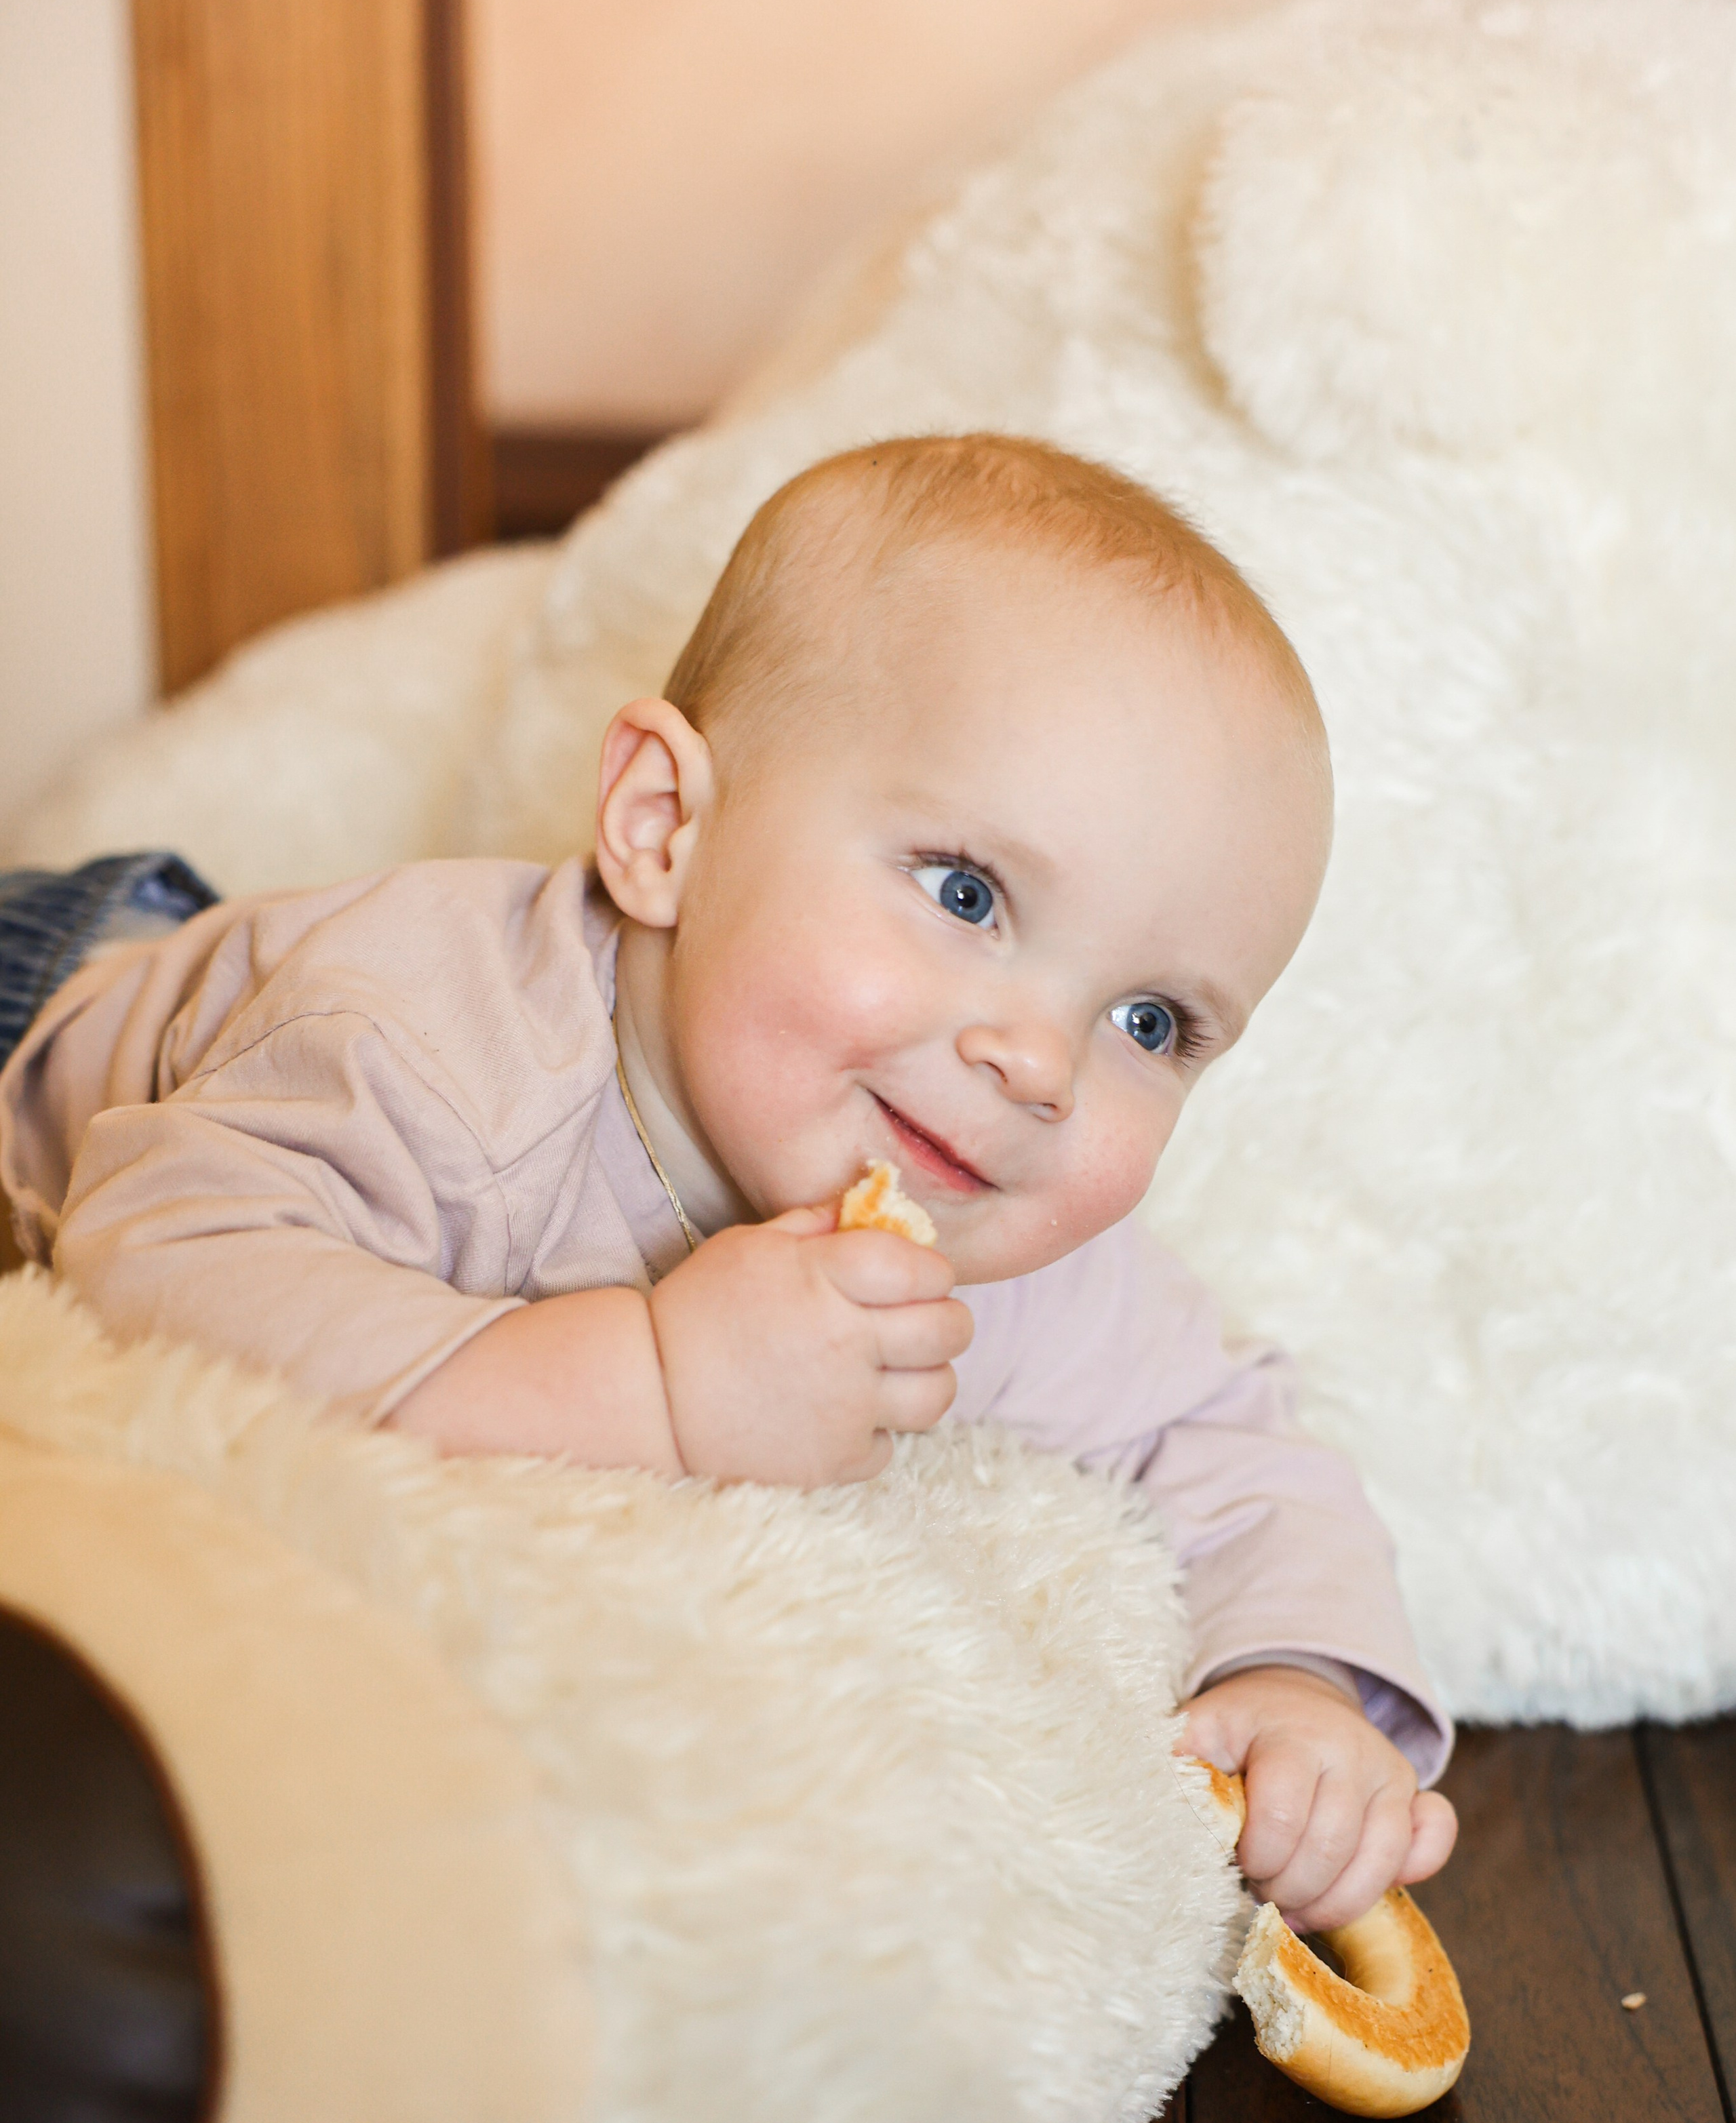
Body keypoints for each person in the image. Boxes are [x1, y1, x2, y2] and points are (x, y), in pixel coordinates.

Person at [0, 433, 1457, 1942]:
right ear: (663, 828)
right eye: (965, 894)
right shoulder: (426, 1050)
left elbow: (1229, 1439)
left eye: (1149, 1021)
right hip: (47, 987)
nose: (1039, 1062)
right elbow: (147, 1246)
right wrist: (646, 1383)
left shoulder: (989, 1228)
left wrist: (1297, 1685)